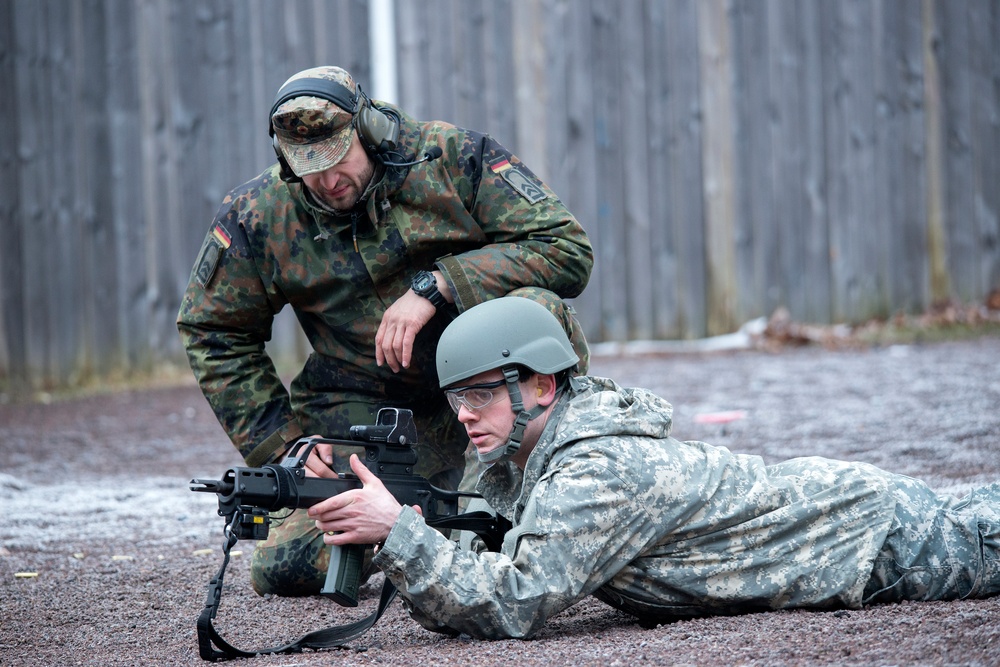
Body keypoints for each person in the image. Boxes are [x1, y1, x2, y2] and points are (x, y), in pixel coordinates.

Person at [308, 296, 1000, 639]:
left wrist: (399, 531)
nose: (463, 413)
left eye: (482, 392)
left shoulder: (597, 470)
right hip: (862, 520)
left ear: (542, 386)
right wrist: (398, 527)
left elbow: (514, 601)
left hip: (879, 544)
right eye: (457, 397)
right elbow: (466, 594)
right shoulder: (525, 455)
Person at [176, 66, 592, 597]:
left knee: (537, 309)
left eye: (338, 159)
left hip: (486, 390)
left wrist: (438, 285)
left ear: (368, 130)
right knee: (285, 566)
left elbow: (565, 248)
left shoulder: (453, 159)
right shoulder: (257, 217)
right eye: (310, 168)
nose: (328, 181)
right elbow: (212, 329)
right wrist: (286, 445)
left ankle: (561, 482)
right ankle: (429, 527)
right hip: (367, 417)